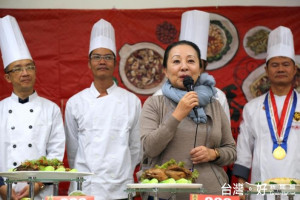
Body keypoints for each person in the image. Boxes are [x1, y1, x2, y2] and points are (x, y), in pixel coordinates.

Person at [140, 40, 236, 199]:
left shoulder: (214, 105)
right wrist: (177, 115)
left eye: (191, 61)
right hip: (166, 194)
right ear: (165, 70)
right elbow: (149, 149)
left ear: (200, 69)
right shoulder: (154, 104)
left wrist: (213, 154)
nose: (184, 66)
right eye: (176, 61)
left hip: (210, 193)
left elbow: (231, 151)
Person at [65, 18, 142, 200]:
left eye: (108, 57)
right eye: (97, 57)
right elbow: (73, 149)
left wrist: (123, 173)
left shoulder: (132, 101)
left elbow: (136, 147)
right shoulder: (75, 102)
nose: (102, 61)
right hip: (84, 187)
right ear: (89, 63)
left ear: (115, 63)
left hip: (120, 187)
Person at [0, 15, 65, 200]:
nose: (25, 73)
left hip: (41, 193)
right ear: (7, 77)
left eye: (30, 67)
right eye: (18, 69)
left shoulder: (51, 109)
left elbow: (56, 155)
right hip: (5, 192)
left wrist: (38, 184)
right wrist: (1, 188)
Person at [232, 26, 300, 197]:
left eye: (286, 64)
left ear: (294, 69)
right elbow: (244, 149)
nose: (280, 69)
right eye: (275, 65)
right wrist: (240, 187)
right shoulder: (252, 107)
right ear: (266, 70)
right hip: (261, 187)